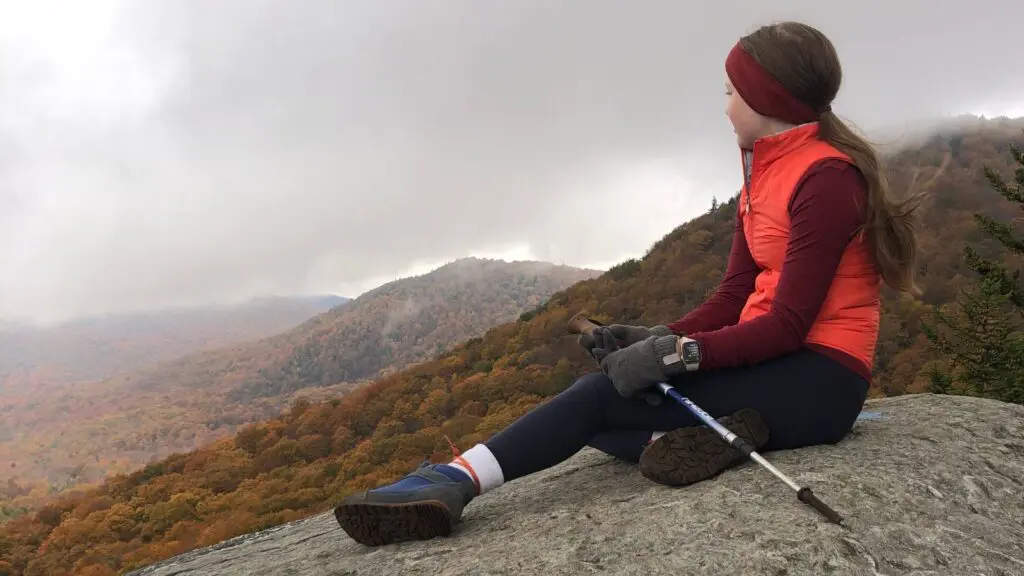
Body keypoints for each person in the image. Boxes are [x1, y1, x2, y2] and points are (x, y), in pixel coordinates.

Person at [333, 20, 923, 547]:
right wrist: (650, 338)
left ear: (764, 98)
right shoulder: (763, 178)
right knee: (607, 396)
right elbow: (733, 296)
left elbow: (791, 326)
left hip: (821, 380)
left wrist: (679, 354)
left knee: (593, 401)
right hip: (780, 368)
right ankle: (709, 441)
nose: (723, 107)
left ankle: (452, 481)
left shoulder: (825, 180)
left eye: (729, 93)